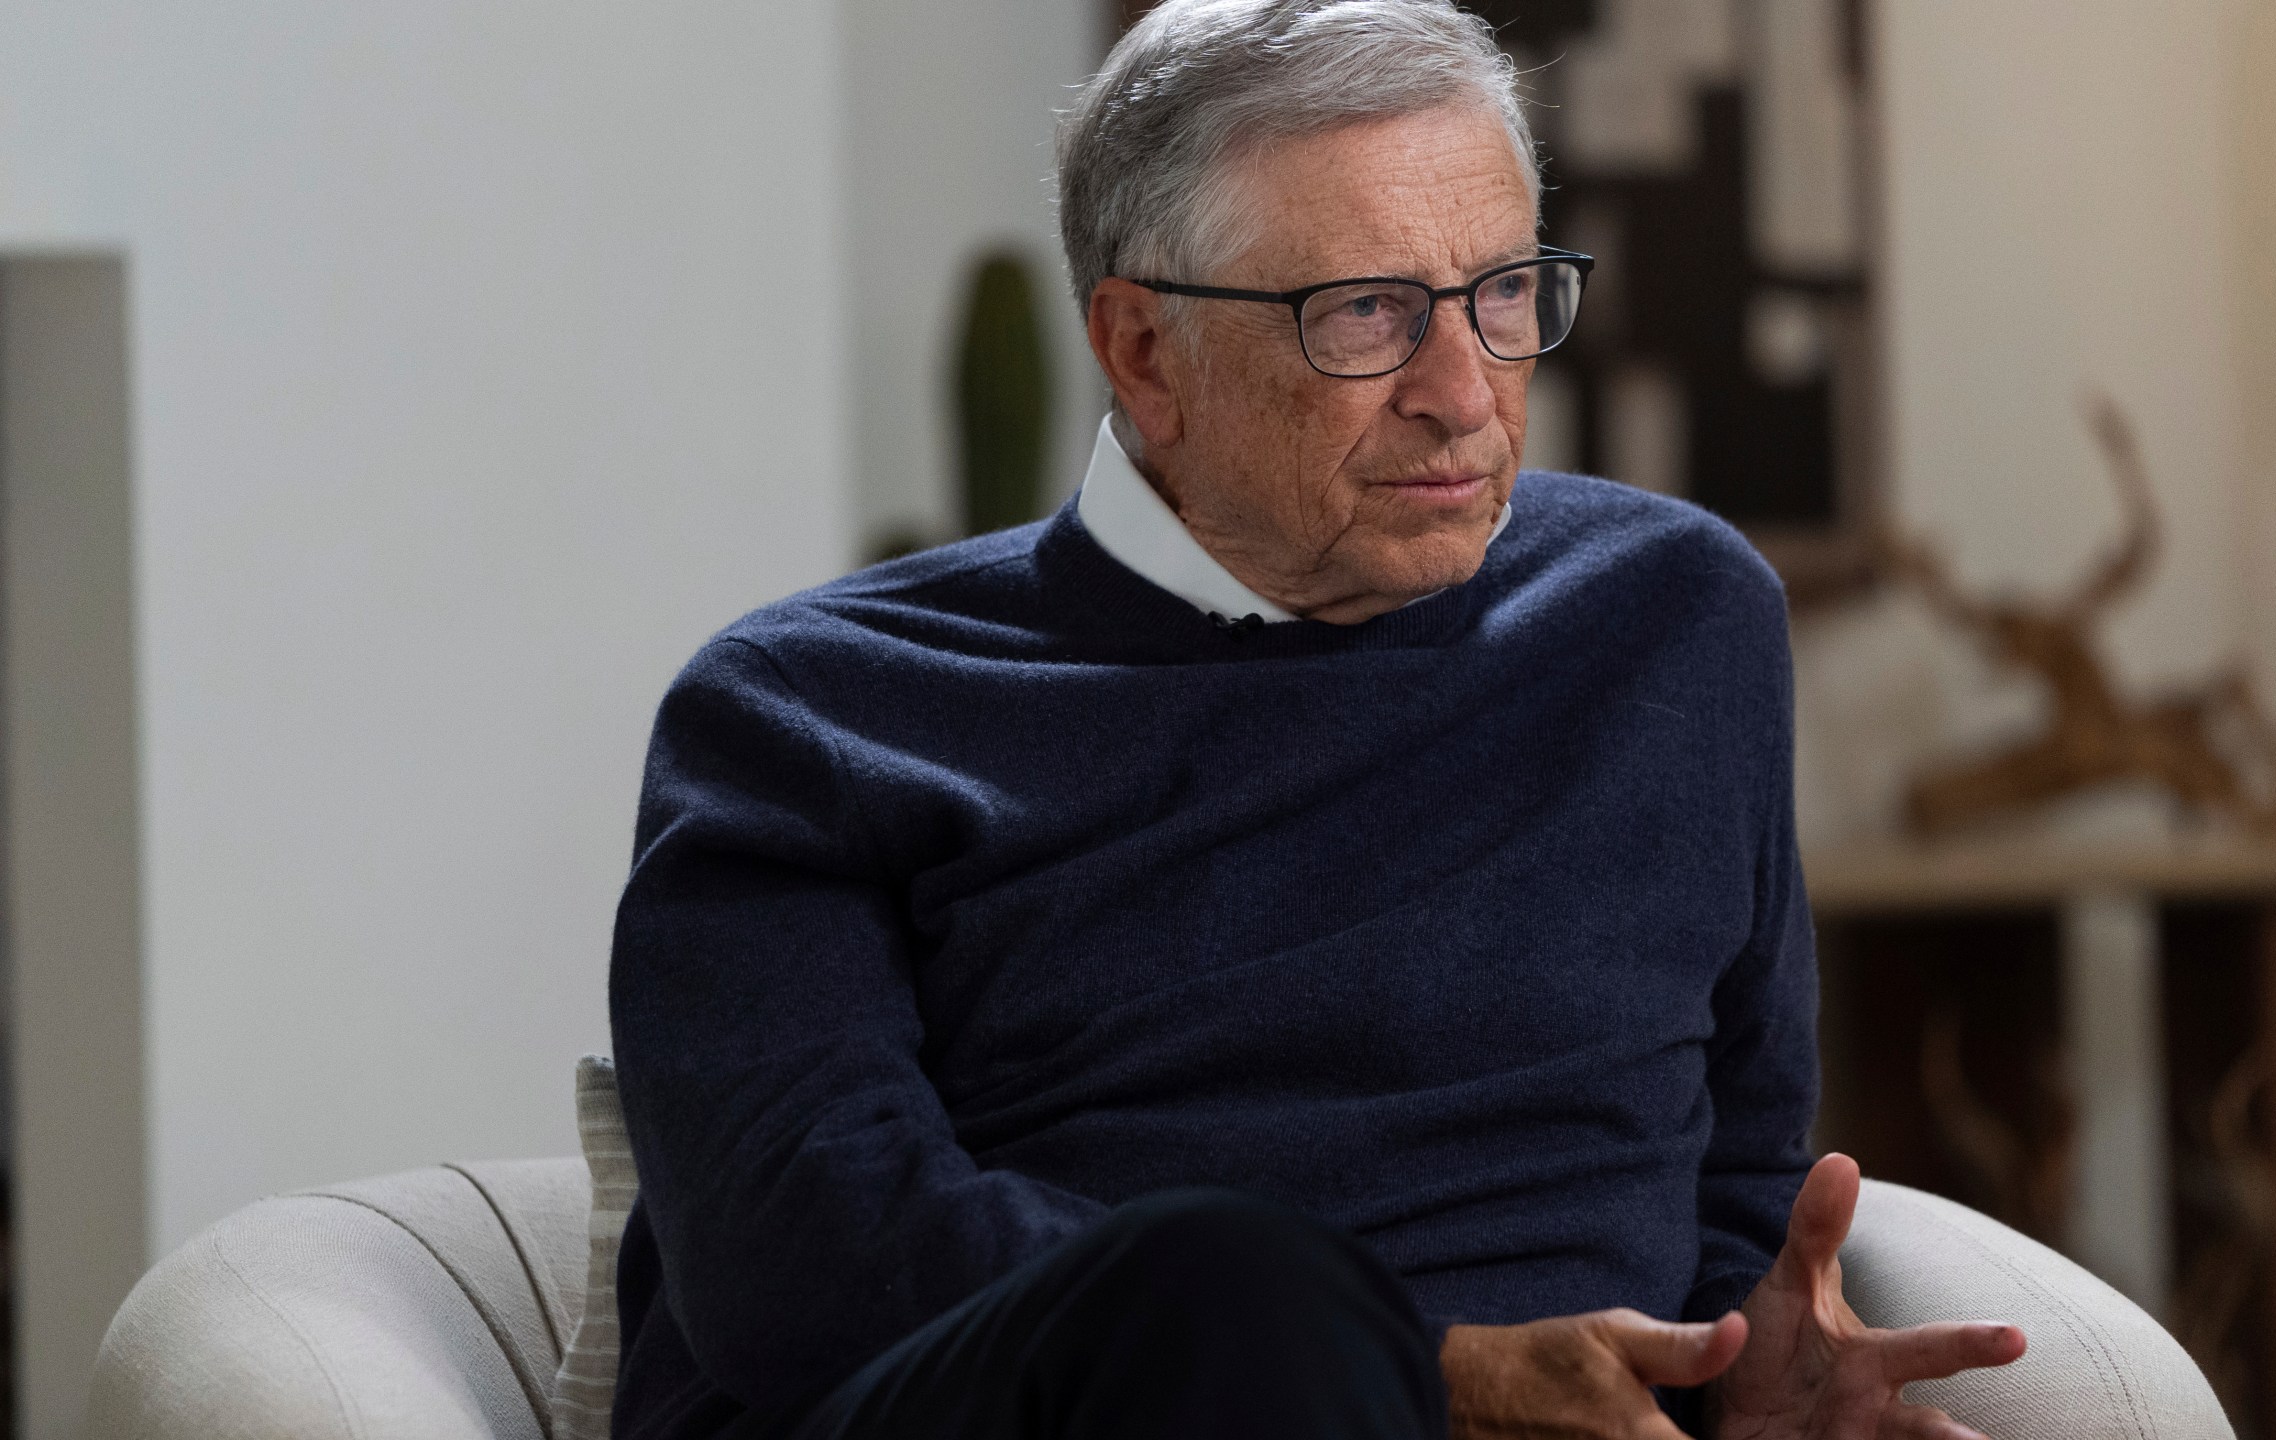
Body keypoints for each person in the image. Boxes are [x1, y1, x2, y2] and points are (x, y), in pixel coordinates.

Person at [608, 3, 2025, 1437]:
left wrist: (1745, 1376)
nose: (1464, 396)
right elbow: (799, 1253)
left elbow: (1731, 1171)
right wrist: (1432, 1380)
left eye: (1506, 293)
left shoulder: (1672, 620)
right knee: (1221, 1280)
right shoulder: (811, 714)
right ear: (1143, 351)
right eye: (1366, 315)